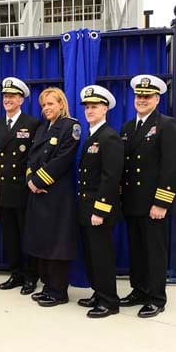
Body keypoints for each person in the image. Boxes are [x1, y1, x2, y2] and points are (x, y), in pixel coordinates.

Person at [120, 74, 176, 318]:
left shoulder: (167, 125)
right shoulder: (128, 128)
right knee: (136, 250)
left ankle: (157, 297)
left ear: (157, 99)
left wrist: (161, 202)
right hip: (133, 202)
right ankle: (139, 290)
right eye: (138, 96)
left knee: (154, 252)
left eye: (147, 96)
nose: (141, 100)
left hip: (152, 204)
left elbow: (172, 168)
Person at [24, 87, 81, 307]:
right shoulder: (41, 129)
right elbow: (31, 158)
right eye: (44, 105)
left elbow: (62, 160)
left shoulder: (70, 127)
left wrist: (37, 181)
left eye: (50, 104)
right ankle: (48, 287)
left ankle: (59, 292)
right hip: (38, 195)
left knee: (57, 244)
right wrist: (30, 180)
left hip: (57, 196)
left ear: (61, 104)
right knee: (42, 243)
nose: (46, 108)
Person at [0, 77, 40, 295]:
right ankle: (16, 273)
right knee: (9, 236)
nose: (7, 100)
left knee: (27, 234)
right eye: (5, 96)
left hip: (23, 191)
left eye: (12, 96)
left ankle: (31, 276)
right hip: (3, 191)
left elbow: (35, 159)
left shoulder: (32, 124)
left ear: (21, 99)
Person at [77, 85, 124, 318]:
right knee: (91, 255)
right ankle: (98, 292)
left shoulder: (109, 137)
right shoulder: (93, 135)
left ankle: (109, 301)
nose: (89, 110)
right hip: (87, 208)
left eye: (94, 106)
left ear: (105, 109)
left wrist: (100, 210)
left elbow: (110, 177)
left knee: (102, 256)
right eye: (87, 106)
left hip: (98, 210)